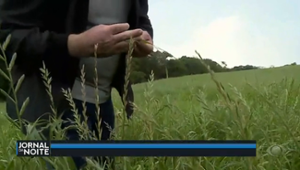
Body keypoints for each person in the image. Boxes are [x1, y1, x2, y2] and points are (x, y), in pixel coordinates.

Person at [0, 0, 153, 169]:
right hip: (55, 104)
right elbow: (7, 32)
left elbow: (141, 19)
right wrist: (73, 44)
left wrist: (145, 37)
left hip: (104, 104)